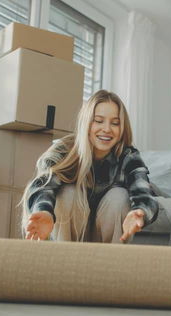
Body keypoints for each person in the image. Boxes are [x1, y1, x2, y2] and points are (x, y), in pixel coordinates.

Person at [21, 90, 158, 243]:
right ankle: (64, 261)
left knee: (119, 196)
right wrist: (44, 212)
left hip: (107, 232)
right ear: (86, 123)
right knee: (68, 193)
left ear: (122, 128)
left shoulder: (128, 156)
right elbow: (43, 186)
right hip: (68, 233)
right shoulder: (64, 150)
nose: (107, 129)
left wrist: (140, 212)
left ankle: (110, 263)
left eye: (115, 123)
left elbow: (144, 194)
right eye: (98, 121)